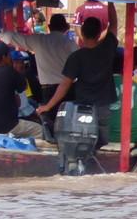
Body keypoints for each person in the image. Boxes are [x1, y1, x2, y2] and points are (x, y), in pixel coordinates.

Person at [38, 16, 118, 147]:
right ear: (99, 33)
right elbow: (113, 24)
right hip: (103, 107)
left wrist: (48, 106)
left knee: (82, 143)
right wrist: (110, 5)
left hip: (83, 108)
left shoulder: (76, 57)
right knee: (102, 144)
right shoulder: (107, 49)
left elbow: (65, 84)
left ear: (82, 34)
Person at [0, 14, 78, 126]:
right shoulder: (71, 44)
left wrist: (0, 32)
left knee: (51, 124)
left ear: (49, 27)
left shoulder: (39, 40)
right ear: (66, 28)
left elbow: (16, 39)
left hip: (48, 90)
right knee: (68, 123)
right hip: (70, 90)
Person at [0, 41, 46, 139]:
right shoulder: (9, 71)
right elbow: (23, 89)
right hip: (8, 125)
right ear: (4, 57)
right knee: (40, 131)